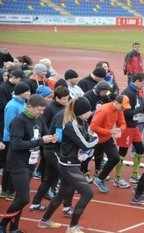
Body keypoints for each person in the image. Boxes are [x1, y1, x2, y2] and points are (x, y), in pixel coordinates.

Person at [38, 97, 99, 232]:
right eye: (88, 111)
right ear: (80, 111)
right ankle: (73, 227)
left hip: (73, 163)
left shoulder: (82, 122)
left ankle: (44, 220)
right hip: (68, 165)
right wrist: (96, 138)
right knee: (87, 193)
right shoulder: (72, 125)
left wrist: (89, 146)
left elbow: (87, 140)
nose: (90, 113)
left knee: (61, 195)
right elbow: (86, 143)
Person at [0, 94, 58, 233]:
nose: (41, 113)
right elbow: (16, 144)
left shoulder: (39, 119)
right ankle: (2, 225)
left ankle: (14, 228)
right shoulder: (19, 121)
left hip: (31, 163)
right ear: (29, 106)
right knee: (24, 198)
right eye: (39, 109)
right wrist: (42, 141)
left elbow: (45, 133)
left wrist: (53, 137)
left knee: (20, 198)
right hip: (18, 164)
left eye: (43, 110)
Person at [115, 73, 144, 188]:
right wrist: (140, 109)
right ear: (137, 81)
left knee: (140, 149)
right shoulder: (128, 93)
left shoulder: (135, 91)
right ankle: (118, 178)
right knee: (123, 152)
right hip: (127, 126)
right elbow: (124, 112)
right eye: (143, 83)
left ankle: (134, 175)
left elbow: (136, 107)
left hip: (134, 125)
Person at [91, 95, 130, 193]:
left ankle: (99, 179)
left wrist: (120, 130)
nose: (124, 109)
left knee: (115, 158)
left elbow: (123, 123)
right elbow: (93, 127)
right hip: (95, 140)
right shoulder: (103, 110)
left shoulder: (119, 110)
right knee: (84, 160)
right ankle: (71, 181)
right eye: (123, 107)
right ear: (116, 102)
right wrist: (110, 131)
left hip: (106, 139)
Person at [0, 82, 31, 202]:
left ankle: (7, 189)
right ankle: (10, 190)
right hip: (12, 140)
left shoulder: (22, 103)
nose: (29, 93)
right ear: (20, 93)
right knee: (12, 166)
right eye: (27, 91)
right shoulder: (12, 106)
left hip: (17, 138)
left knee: (10, 166)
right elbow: (10, 125)